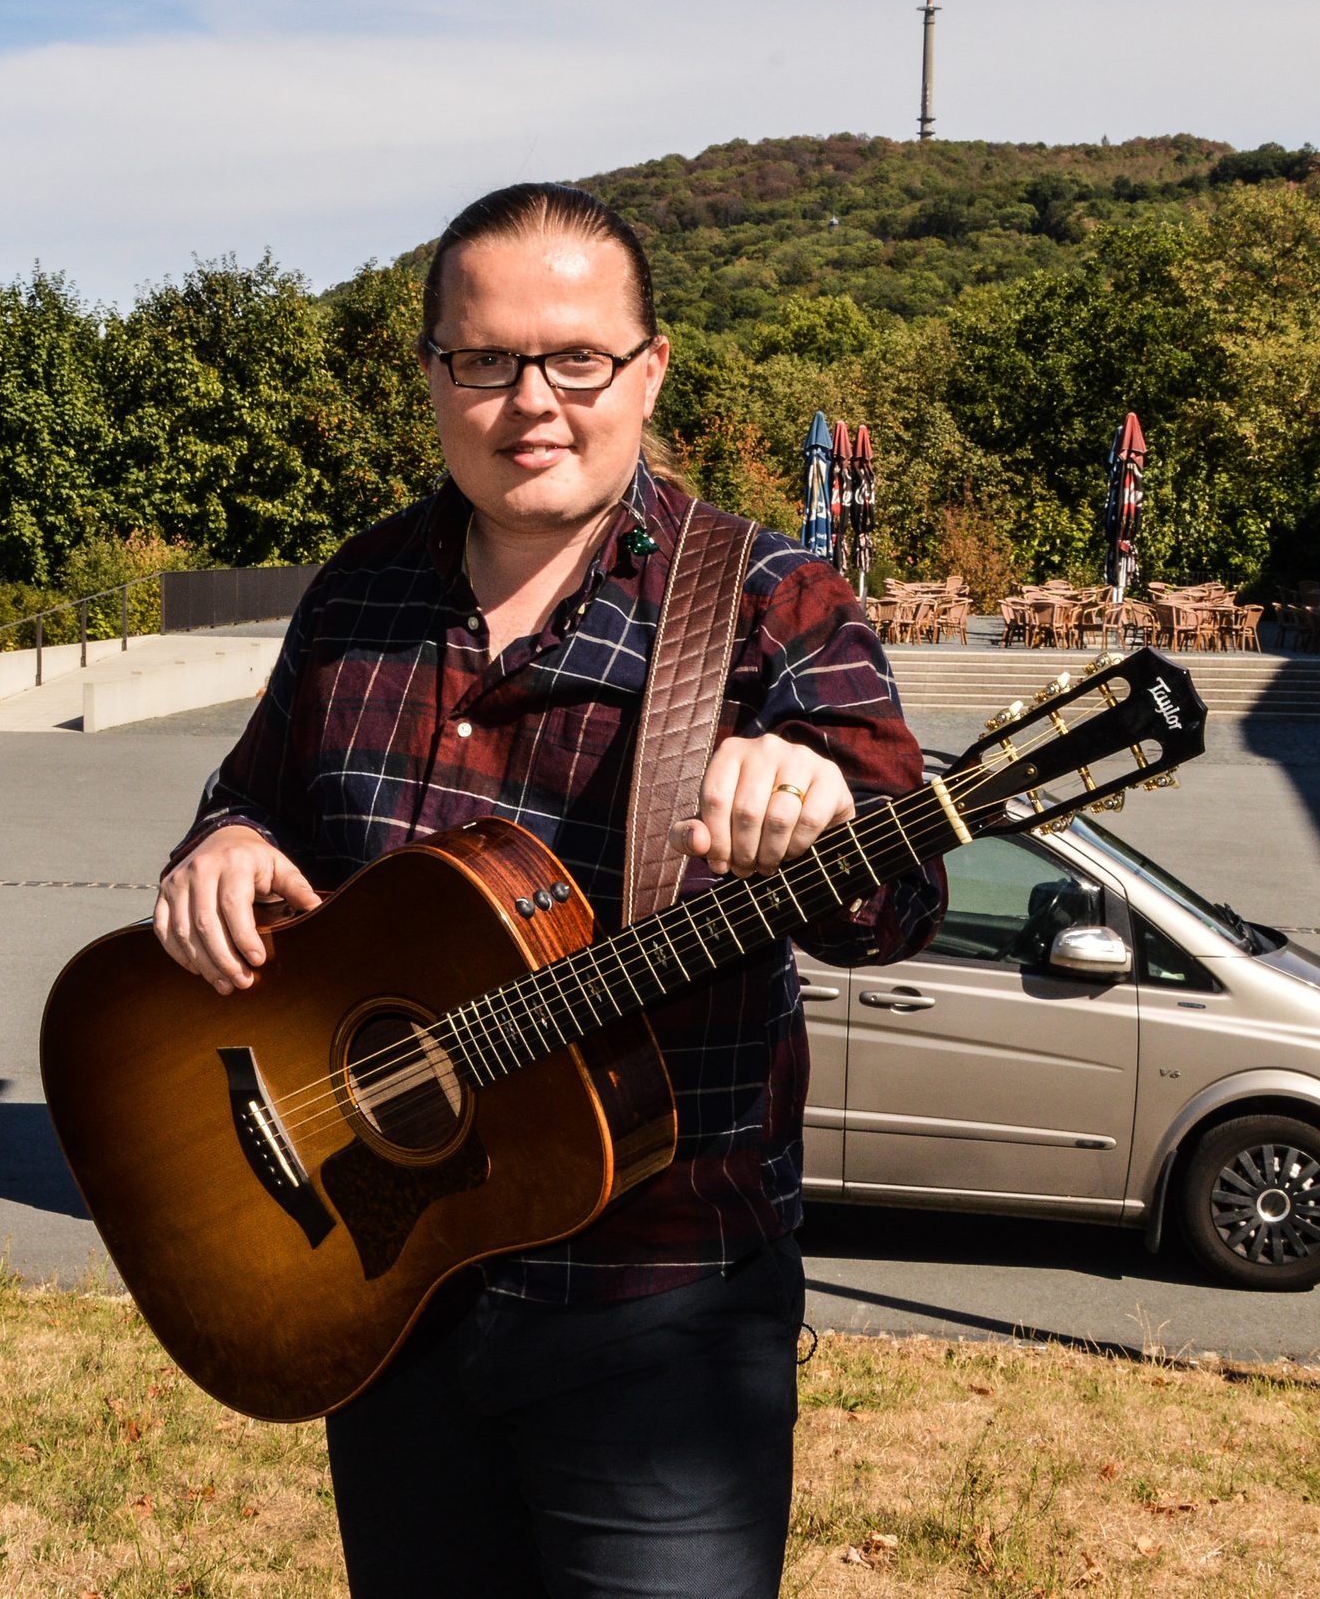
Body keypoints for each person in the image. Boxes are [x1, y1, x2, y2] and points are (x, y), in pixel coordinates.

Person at [153, 181, 946, 1598]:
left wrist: (829, 815)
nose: (533, 400)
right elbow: (255, 797)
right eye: (486, 359)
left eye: (577, 358)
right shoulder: (358, 596)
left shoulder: (773, 606)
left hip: (660, 1313)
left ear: (647, 371)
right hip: (385, 1275)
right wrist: (217, 847)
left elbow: (903, 891)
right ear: (432, 375)